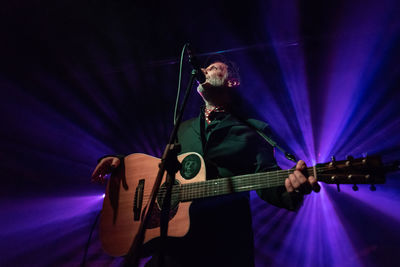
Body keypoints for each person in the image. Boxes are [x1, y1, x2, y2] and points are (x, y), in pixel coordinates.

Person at [91, 60, 319, 267]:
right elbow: (158, 171)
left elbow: (267, 181)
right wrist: (119, 163)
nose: (205, 70)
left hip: (224, 245)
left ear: (232, 82)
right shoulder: (184, 127)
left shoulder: (254, 129)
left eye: (215, 68)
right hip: (175, 249)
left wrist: (292, 188)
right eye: (206, 68)